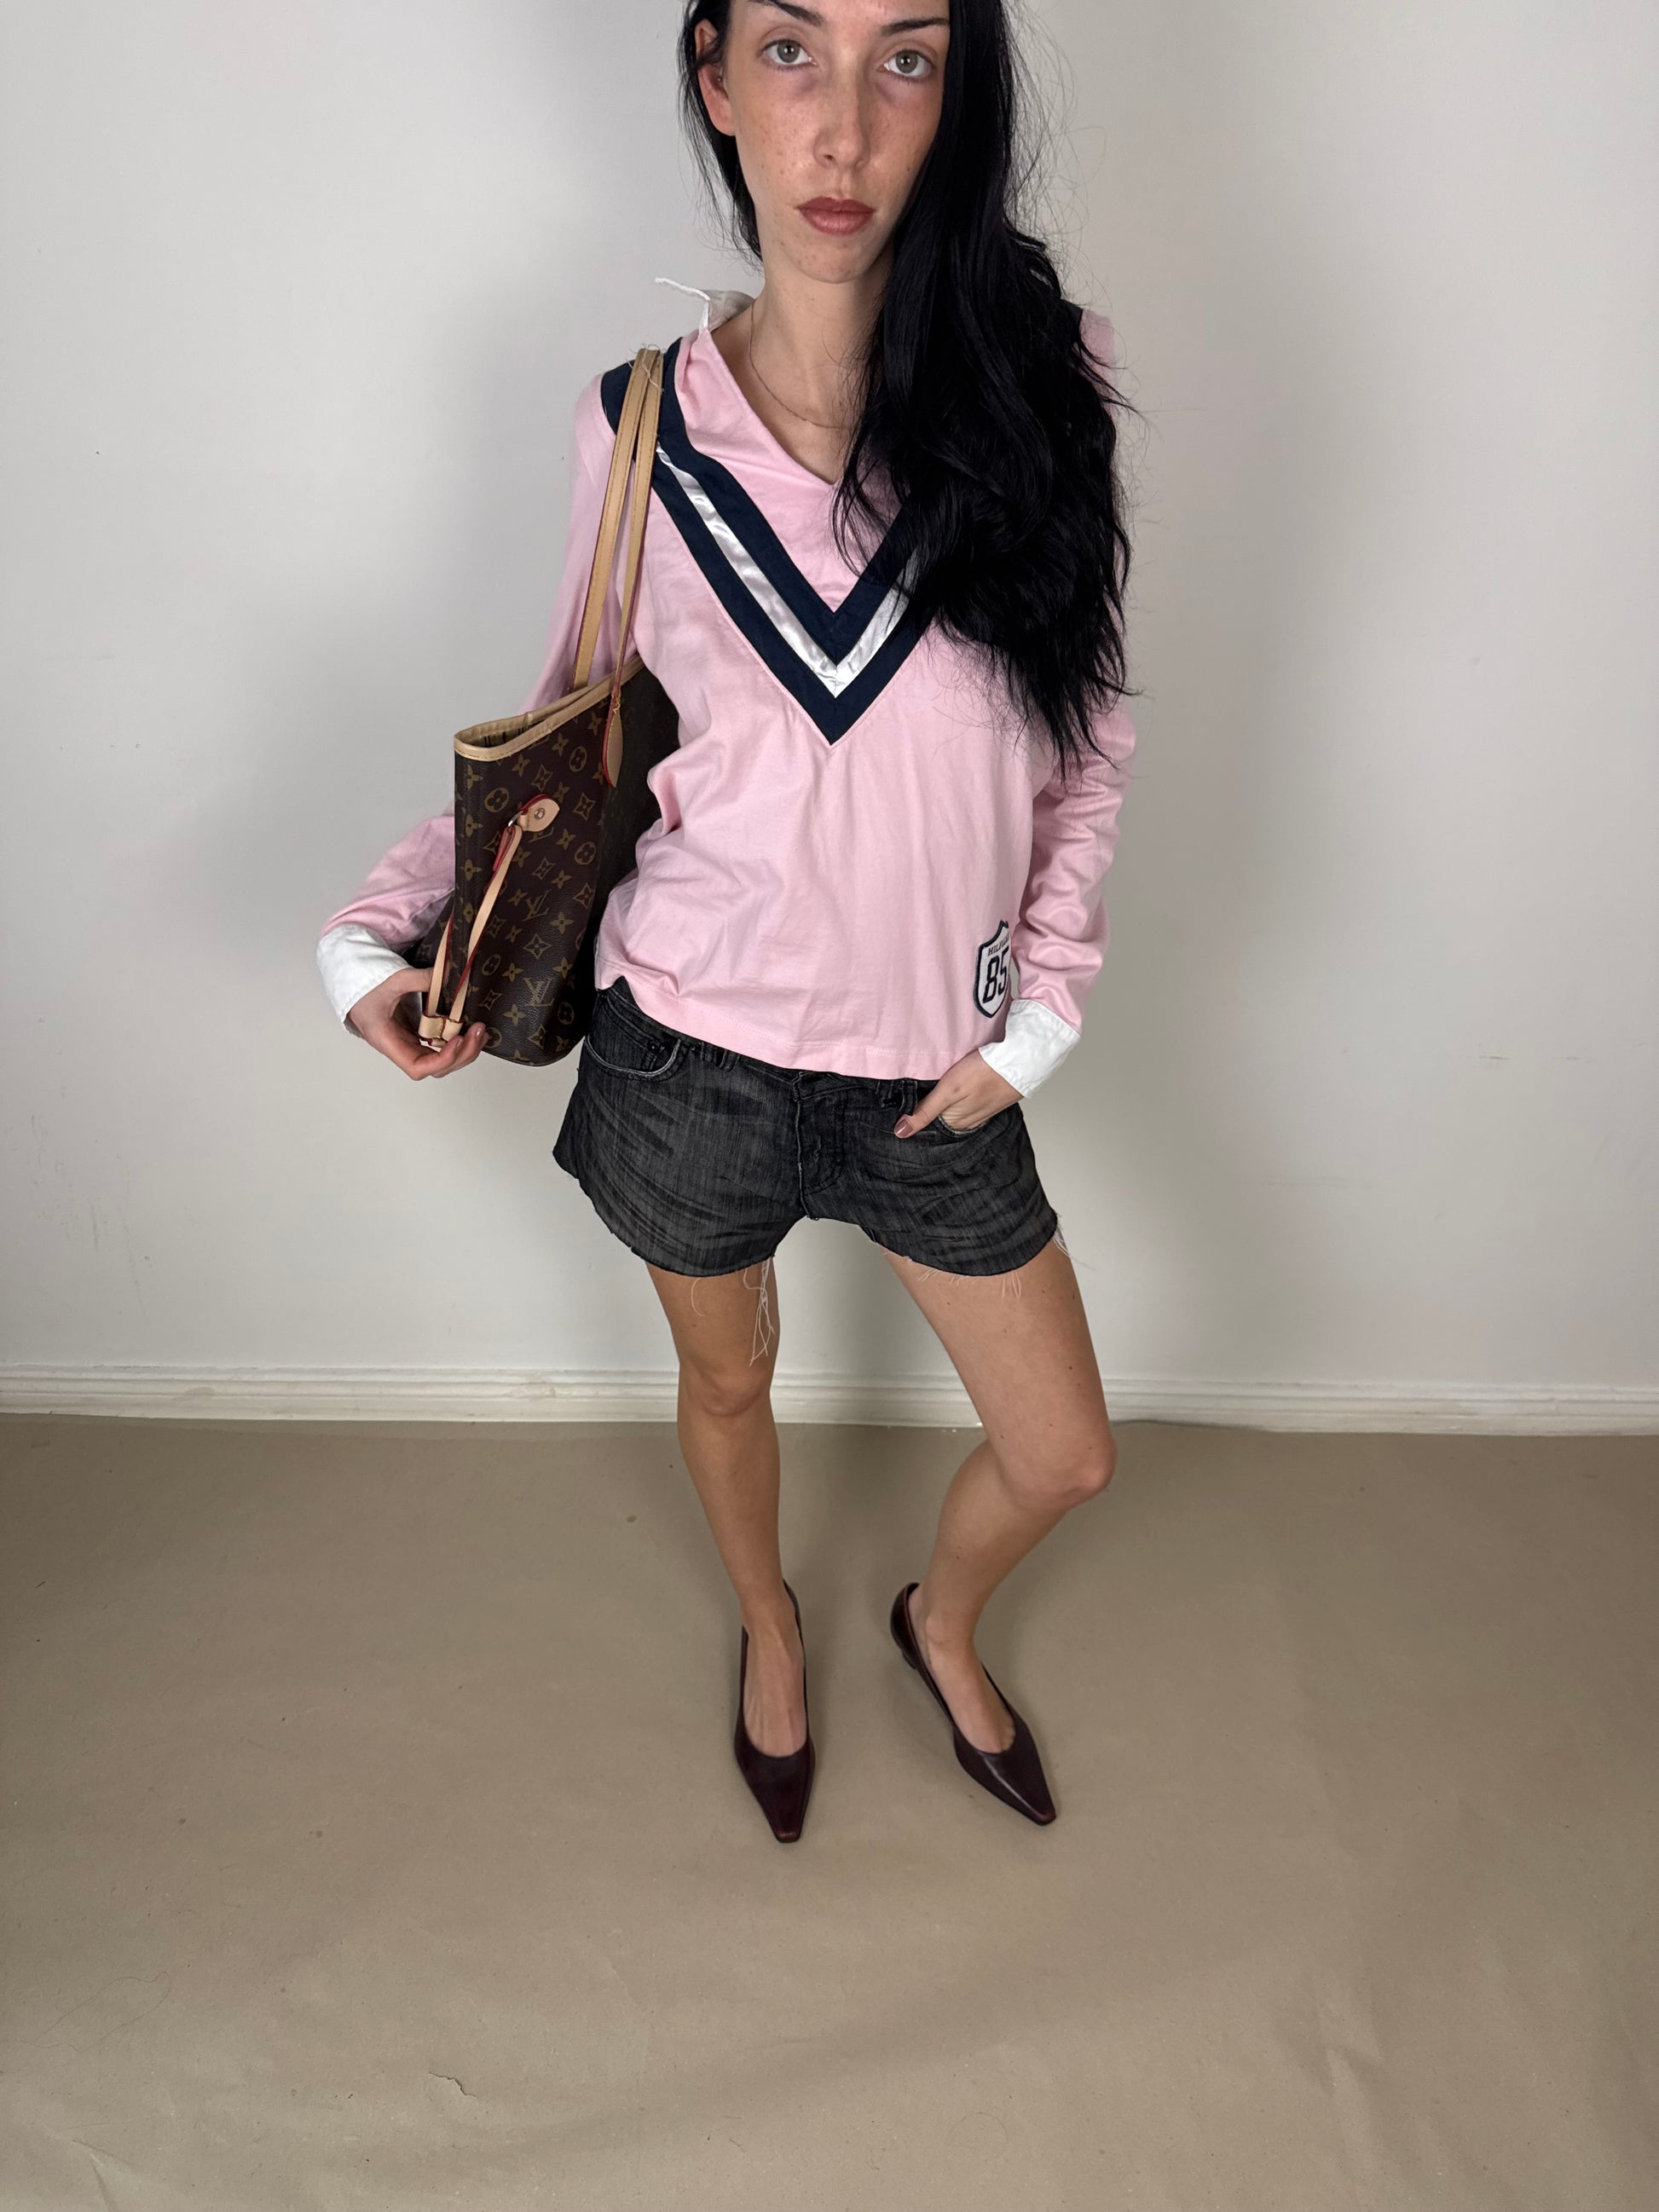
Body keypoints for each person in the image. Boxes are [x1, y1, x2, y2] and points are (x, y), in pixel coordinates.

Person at [315, 0, 1138, 1843]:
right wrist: (371, 936)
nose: (841, 127)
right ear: (712, 74)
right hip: (691, 1050)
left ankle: (937, 1618)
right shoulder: (637, 428)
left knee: (1064, 1449)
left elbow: (1084, 732)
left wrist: (1039, 1015)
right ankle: (770, 1621)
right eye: (789, 51)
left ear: (956, 91)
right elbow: (567, 736)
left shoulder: (1041, 381)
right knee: (728, 1373)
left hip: (937, 1074)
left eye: (904, 58)